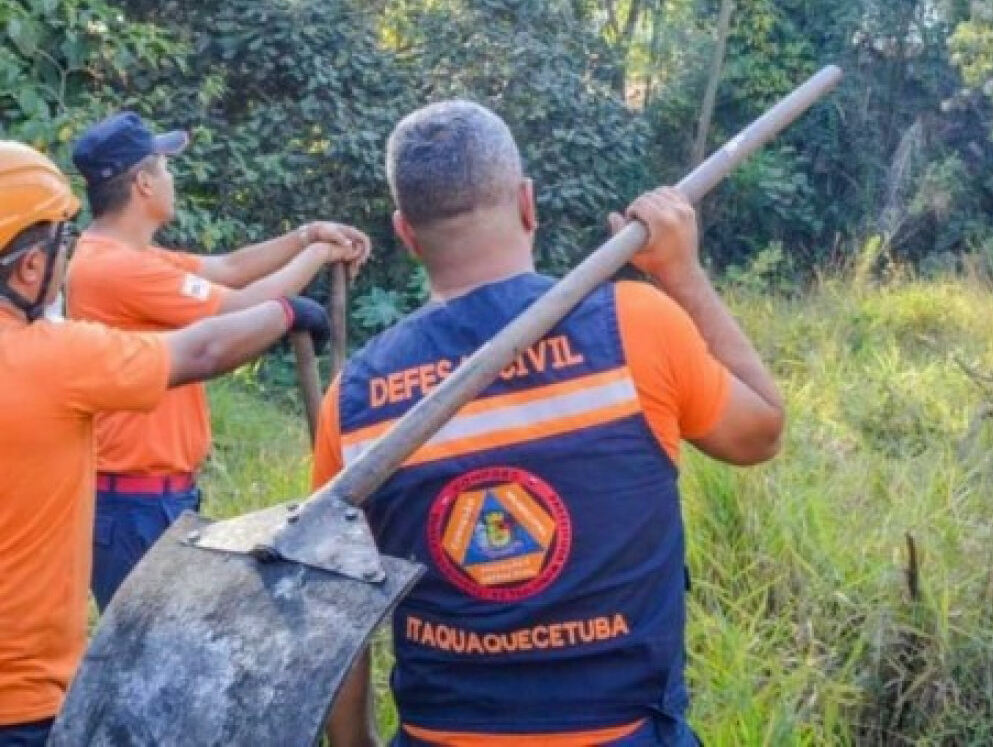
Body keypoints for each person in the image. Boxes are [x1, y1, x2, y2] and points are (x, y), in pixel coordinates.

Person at [313, 100, 786, 747]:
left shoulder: (354, 399)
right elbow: (761, 432)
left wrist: (356, 744)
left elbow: (332, 601)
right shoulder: (636, 325)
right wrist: (683, 273)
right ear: (528, 204)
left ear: (406, 233)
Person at [0, 141, 329, 747]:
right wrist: (286, 312)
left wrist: (307, 240)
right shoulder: (50, 357)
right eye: (57, 244)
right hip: (20, 698)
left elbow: (227, 271)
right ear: (28, 267)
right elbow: (202, 348)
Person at [65, 111, 371, 609]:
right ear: (143, 183)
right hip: (134, 503)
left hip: (156, 496)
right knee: (149, 660)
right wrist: (313, 264)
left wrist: (307, 236)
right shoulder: (115, 269)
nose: (172, 178)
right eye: (165, 168)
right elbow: (240, 306)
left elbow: (228, 270)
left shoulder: (131, 257)